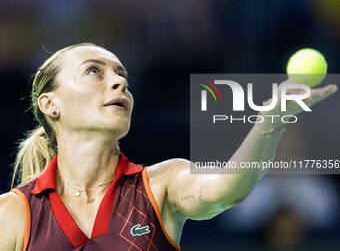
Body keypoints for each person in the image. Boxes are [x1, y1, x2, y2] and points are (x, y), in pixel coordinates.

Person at [0, 43, 336, 251]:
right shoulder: (13, 215)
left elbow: (229, 188)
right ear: (50, 104)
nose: (119, 81)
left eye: (121, 74)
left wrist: (270, 122)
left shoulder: (163, 185)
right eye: (93, 71)